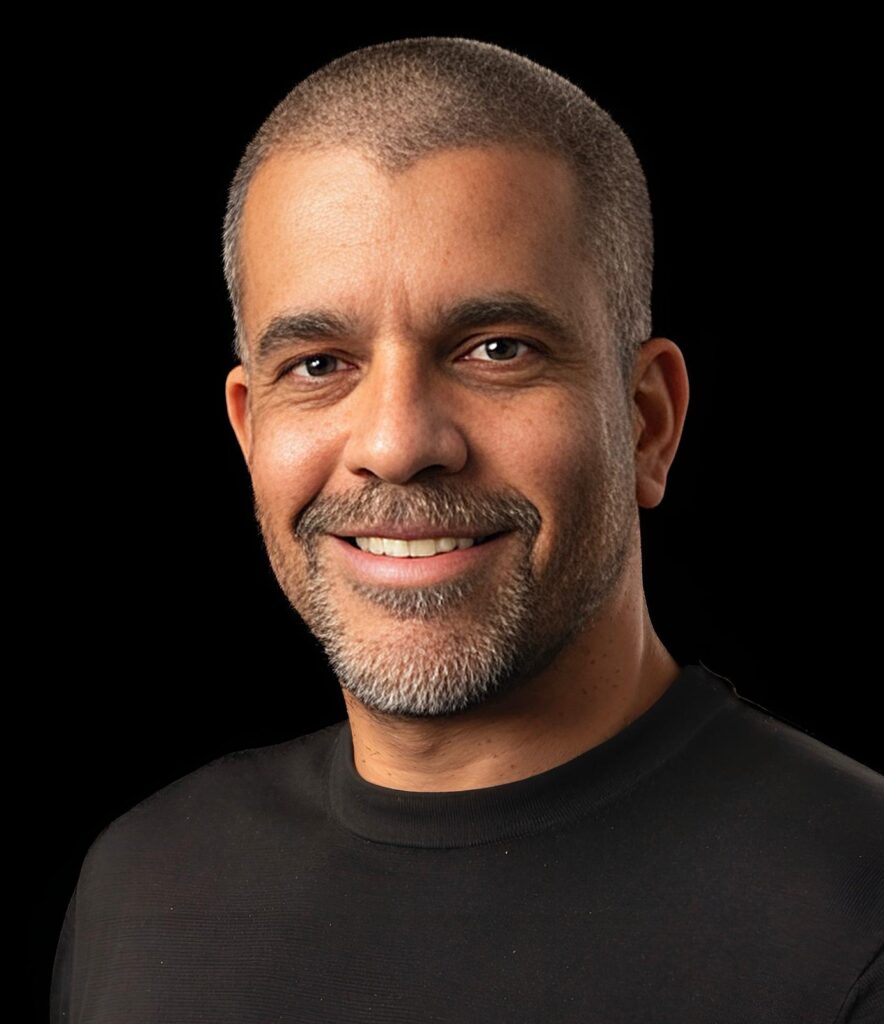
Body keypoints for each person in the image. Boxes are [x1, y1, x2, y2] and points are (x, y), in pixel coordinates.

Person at [51, 37, 882, 1023]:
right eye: (317, 365)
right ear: (248, 429)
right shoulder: (144, 891)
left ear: (647, 421)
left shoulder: (857, 912)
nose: (397, 444)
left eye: (495, 349)